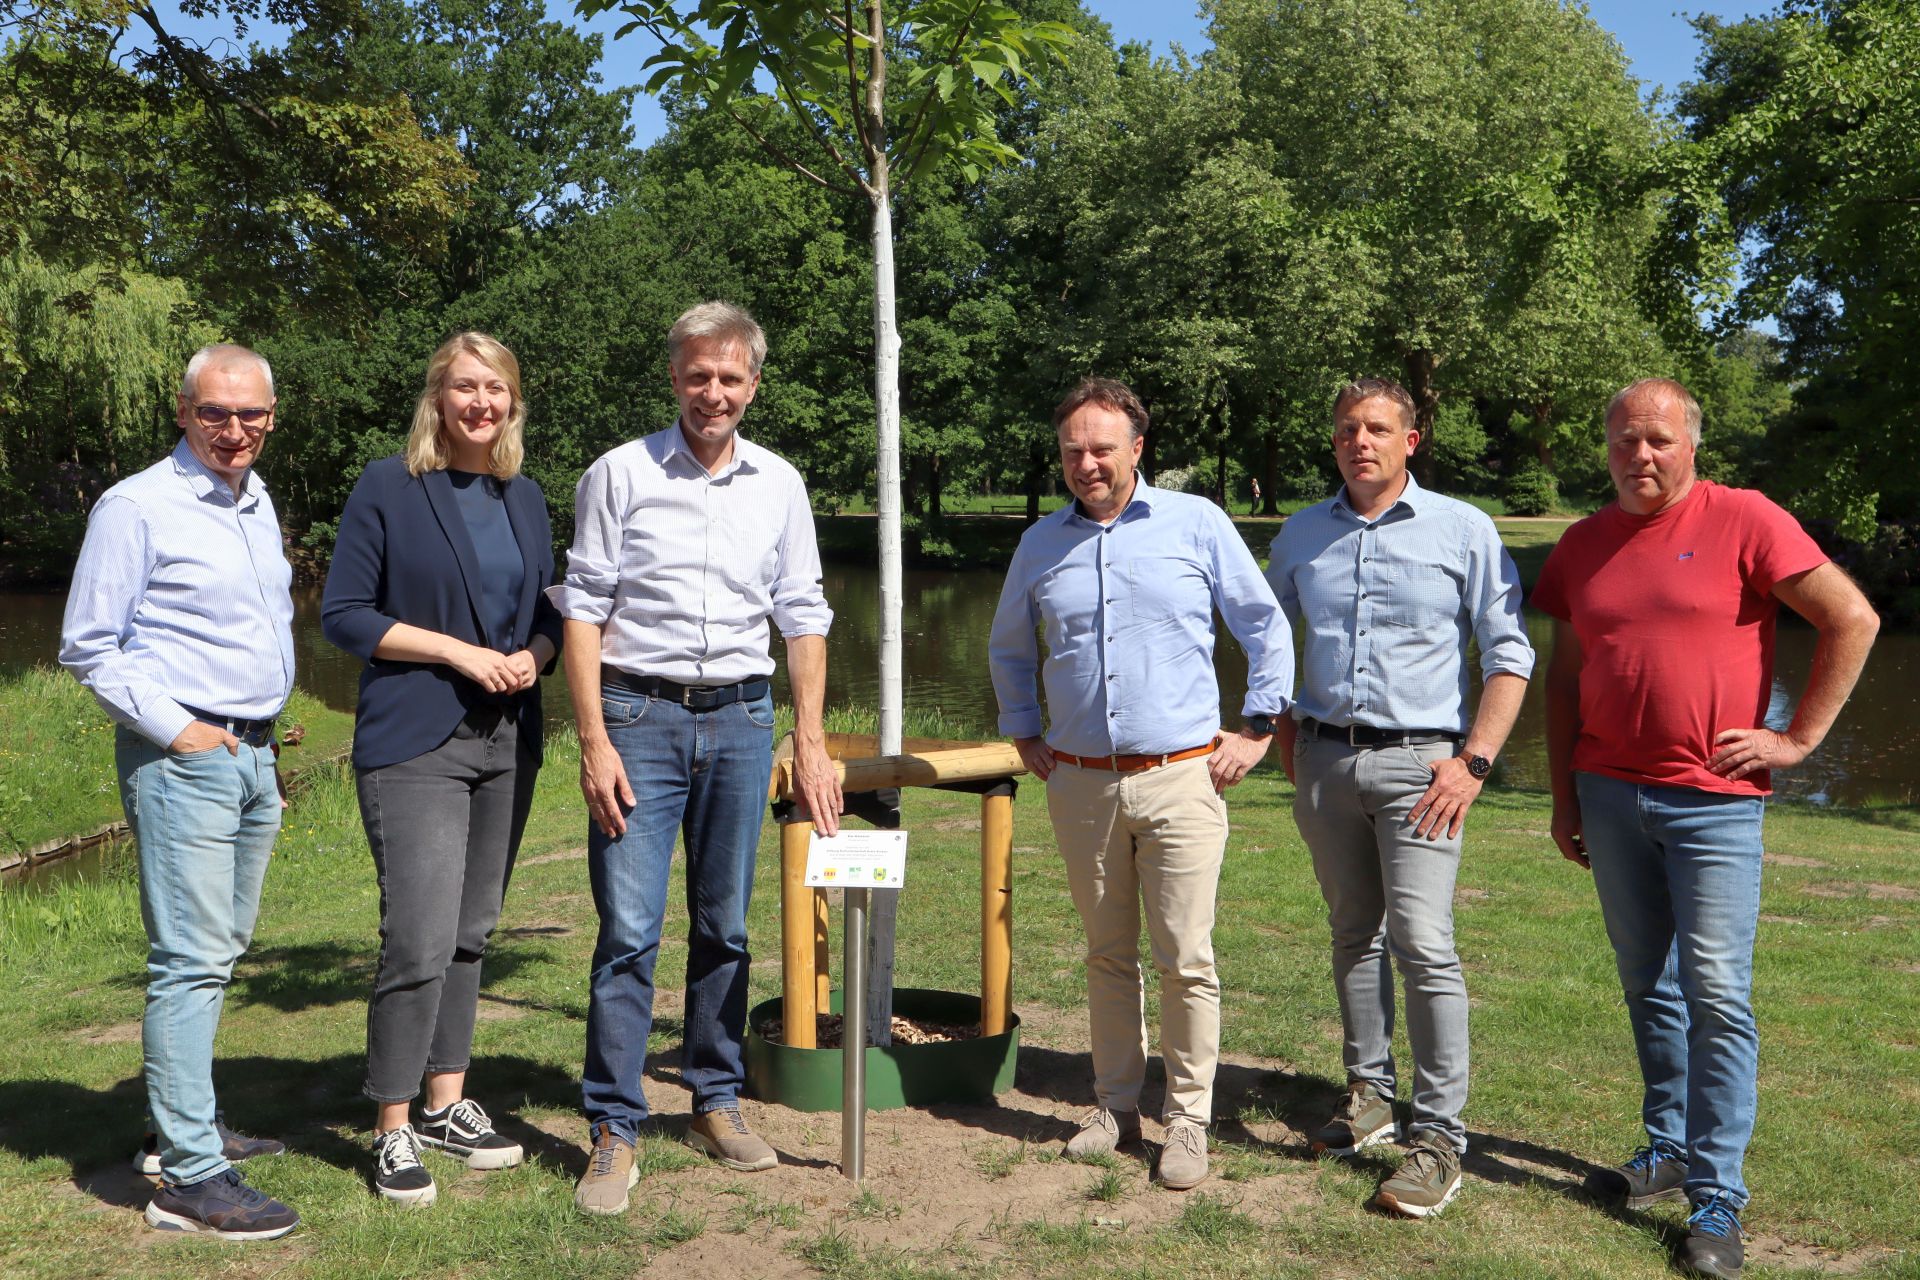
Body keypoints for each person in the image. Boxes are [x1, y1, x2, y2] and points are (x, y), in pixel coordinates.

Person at [1536, 378, 1878, 1279]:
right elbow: (1566, 679)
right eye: (1622, 440)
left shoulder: (1747, 519)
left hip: (1714, 800)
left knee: (1718, 995)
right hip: (1609, 792)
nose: (1639, 456)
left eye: (1657, 439)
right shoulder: (1580, 546)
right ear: (1603, 445)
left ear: (1692, 442)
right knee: (1648, 984)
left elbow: (1852, 617)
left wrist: (1796, 738)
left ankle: (1718, 1195)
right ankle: (1668, 1148)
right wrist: (1566, 797)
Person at [551, 301, 843, 1216]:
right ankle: (614, 1124)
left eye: (730, 377)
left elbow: (801, 610)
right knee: (630, 931)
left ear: (755, 383)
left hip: (743, 721)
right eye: (697, 375)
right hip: (640, 716)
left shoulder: (780, 485)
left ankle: (715, 1101)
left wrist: (811, 734)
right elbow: (585, 610)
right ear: (673, 378)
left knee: (726, 926)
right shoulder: (618, 474)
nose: (713, 392)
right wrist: (595, 740)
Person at [988, 376, 1293, 1192]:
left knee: (1185, 956)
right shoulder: (1040, 544)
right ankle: (1115, 1106)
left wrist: (1259, 726)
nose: (1086, 463)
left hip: (1181, 778)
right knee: (1105, 954)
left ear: (1137, 448)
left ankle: (1187, 1117)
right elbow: (1010, 647)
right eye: (1072, 450)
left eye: (1101, 448)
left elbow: (1265, 626)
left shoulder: (1196, 525)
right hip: (1081, 784)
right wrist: (1024, 727)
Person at [1265, 377, 1533, 1219]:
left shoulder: (1464, 529)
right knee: (1352, 933)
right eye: (1347, 429)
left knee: (1422, 941)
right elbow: (1270, 642)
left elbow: (1508, 653)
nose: (1361, 442)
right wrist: (1284, 739)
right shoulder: (1301, 534)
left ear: (1410, 440)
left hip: (1425, 769)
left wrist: (1474, 762)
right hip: (1326, 763)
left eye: (1378, 429)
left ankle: (1441, 1138)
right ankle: (1370, 1097)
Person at [59, 344, 300, 1240]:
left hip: (252, 753)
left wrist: (255, 737)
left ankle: (180, 1127)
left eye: (251, 416)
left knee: (223, 945)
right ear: (182, 410)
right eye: (215, 414)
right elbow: (89, 645)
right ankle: (191, 1180)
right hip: (186, 758)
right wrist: (183, 730)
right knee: (190, 958)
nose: (234, 432)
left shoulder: (256, 497)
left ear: (272, 415)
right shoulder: (137, 506)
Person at [321, 332, 564, 1205]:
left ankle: (445, 1101)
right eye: (465, 387)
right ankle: (390, 1127)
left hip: (507, 737)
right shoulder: (391, 487)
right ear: (438, 397)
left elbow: (549, 610)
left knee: (473, 930)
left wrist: (537, 654)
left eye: (496, 388)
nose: (481, 403)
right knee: (419, 935)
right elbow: (345, 614)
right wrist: (463, 655)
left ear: (512, 402)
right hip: (417, 740)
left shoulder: (523, 495)